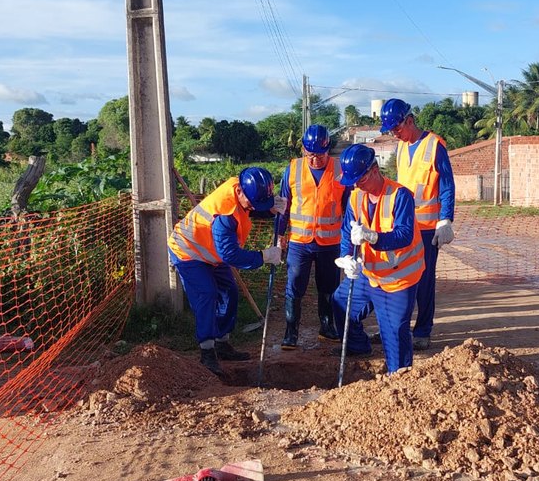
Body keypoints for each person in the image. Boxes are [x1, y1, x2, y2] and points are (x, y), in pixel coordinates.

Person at [168, 167, 286, 375]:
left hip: (211, 250)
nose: (253, 206)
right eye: (253, 202)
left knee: (229, 291)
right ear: (240, 191)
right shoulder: (225, 215)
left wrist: (269, 209)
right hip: (188, 251)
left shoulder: (240, 186)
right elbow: (231, 255)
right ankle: (207, 351)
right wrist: (264, 256)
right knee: (207, 293)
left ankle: (222, 343)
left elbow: (248, 208)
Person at [331, 145, 424, 374]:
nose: (356, 185)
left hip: (398, 277)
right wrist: (346, 256)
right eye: (353, 181)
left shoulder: (400, 195)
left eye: (360, 179)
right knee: (340, 303)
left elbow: (404, 234)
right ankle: (358, 347)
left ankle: (400, 378)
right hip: (369, 273)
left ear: (374, 170)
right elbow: (347, 231)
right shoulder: (355, 197)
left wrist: (373, 237)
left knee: (394, 333)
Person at [379, 98, 456, 351]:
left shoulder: (435, 146)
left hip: (426, 229)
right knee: (397, 277)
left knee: (424, 281)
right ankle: (395, 327)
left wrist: (445, 220)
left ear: (409, 121)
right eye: (391, 130)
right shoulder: (401, 148)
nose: (395, 134)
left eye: (397, 128)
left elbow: (447, 186)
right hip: (403, 226)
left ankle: (422, 331)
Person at [276, 125, 348, 350]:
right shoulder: (293, 169)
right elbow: (283, 206)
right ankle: (291, 332)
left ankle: (327, 326)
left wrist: (351, 238)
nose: (314, 160)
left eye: (319, 155)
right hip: (300, 242)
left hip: (330, 242)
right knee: (294, 284)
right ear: (303, 151)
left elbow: (349, 206)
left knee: (329, 286)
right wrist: (279, 235)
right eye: (310, 155)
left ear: (328, 150)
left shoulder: (340, 169)